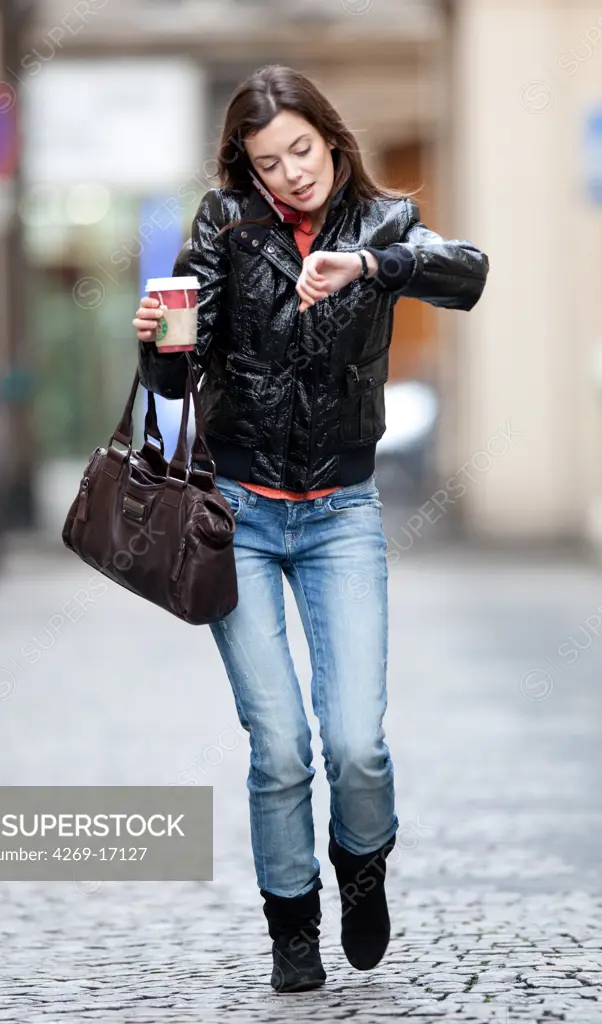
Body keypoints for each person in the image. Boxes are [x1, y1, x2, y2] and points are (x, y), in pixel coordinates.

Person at [133, 65, 489, 994]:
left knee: (356, 744)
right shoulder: (223, 227)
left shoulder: (386, 222)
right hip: (238, 517)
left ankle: (362, 862)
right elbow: (177, 379)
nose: (293, 173)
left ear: (331, 139)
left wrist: (370, 266)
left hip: (341, 518)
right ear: (246, 172)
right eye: (269, 163)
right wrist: (159, 344)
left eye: (303, 150)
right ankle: (293, 921)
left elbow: (470, 275)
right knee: (281, 744)